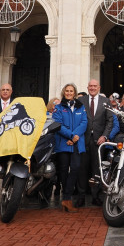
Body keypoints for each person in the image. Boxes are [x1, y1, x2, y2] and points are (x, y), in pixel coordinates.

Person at [77, 79, 114, 207]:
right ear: (87, 88)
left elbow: (110, 121)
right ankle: (81, 196)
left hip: (99, 140)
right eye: (90, 86)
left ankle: (95, 196)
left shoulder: (106, 101)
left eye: (95, 86)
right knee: (82, 169)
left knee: (97, 169)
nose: (92, 88)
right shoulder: (81, 101)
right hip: (83, 139)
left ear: (99, 87)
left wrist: (104, 136)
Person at [52, 83, 87, 213]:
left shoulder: (80, 107)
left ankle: (66, 197)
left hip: (76, 144)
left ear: (75, 93)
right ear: (64, 92)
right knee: (63, 171)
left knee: (76, 168)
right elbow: (58, 124)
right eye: (67, 91)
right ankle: (66, 199)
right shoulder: (59, 107)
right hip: (64, 143)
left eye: (71, 91)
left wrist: (75, 136)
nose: (69, 93)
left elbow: (84, 122)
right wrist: (71, 136)